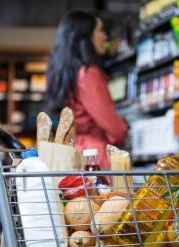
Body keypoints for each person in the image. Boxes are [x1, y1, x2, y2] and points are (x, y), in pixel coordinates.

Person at [45, 10, 128, 170]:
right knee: (105, 195)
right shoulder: (88, 74)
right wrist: (123, 128)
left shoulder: (66, 73)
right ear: (84, 37)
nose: (105, 36)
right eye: (100, 30)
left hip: (74, 151)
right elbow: (113, 126)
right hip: (95, 156)